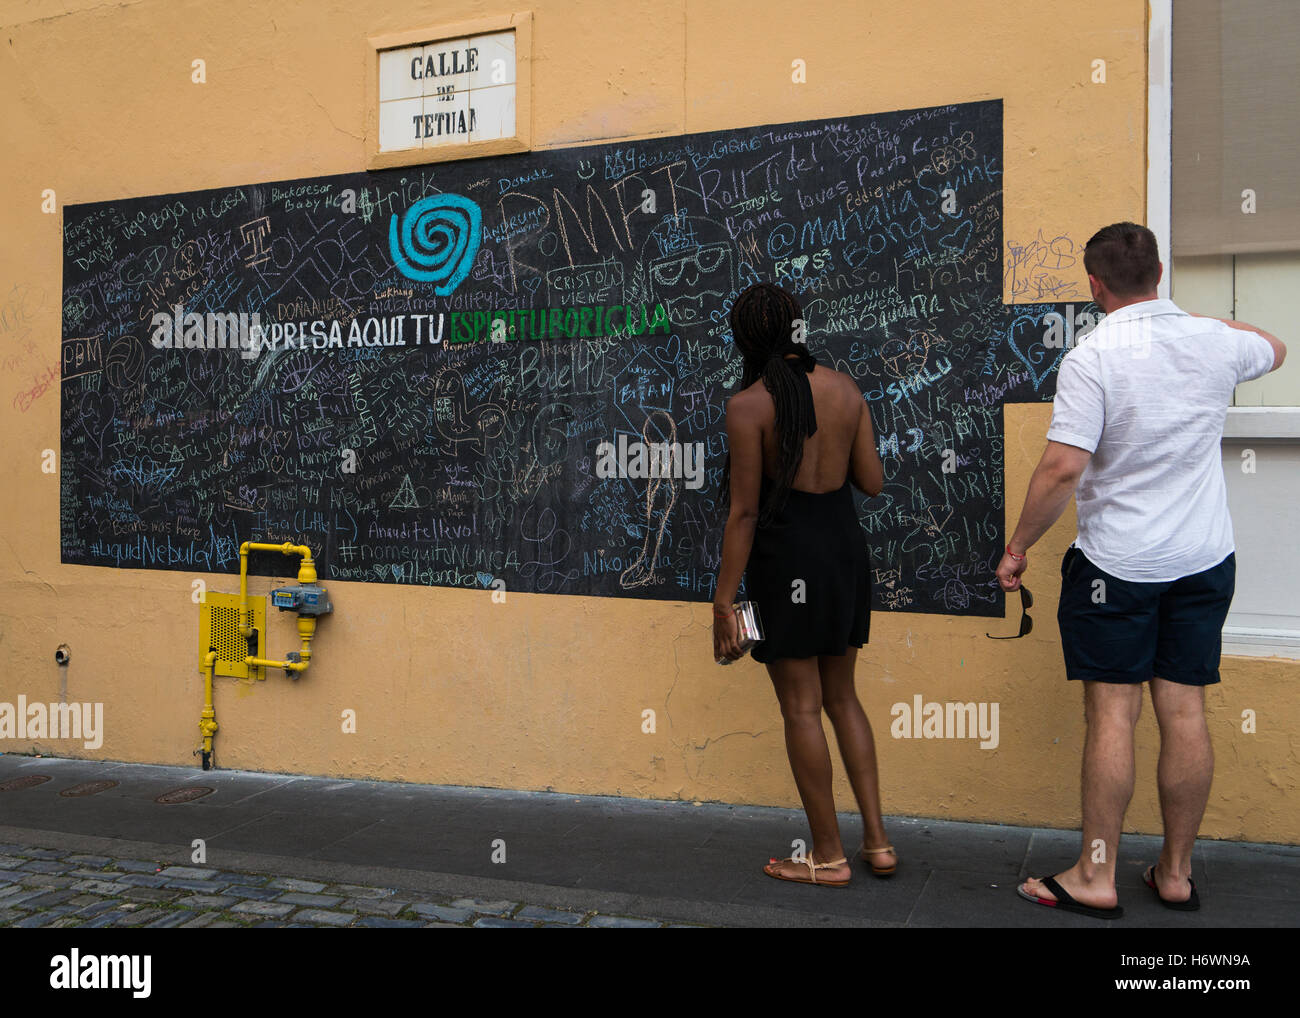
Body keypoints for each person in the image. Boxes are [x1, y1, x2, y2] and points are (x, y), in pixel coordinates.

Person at [996, 222, 1286, 919]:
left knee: (1114, 716)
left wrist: (1018, 546)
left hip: (1117, 566)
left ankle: (1096, 877)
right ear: (1159, 272)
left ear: (1095, 286)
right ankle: (1177, 873)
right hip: (1203, 558)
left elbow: (1063, 467)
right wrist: (1189, 319)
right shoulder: (1215, 341)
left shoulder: (1092, 356)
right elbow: (1275, 346)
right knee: (1184, 710)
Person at [712, 281, 894, 887]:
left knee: (801, 707)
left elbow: (742, 513)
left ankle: (827, 856)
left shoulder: (748, 407)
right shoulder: (845, 389)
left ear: (746, 339)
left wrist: (723, 601)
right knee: (843, 698)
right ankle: (877, 843)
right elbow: (872, 481)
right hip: (843, 552)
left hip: (783, 560)